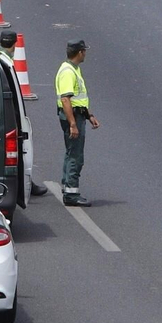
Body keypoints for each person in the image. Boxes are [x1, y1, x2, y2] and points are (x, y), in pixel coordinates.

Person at [0, 28, 50, 196]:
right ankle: (25, 184)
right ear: (15, 45)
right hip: (8, 114)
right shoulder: (7, 62)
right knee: (18, 150)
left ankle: (25, 183)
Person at [55, 39, 99, 206]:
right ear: (80, 52)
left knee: (71, 152)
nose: (85, 53)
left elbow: (79, 99)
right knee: (75, 156)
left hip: (78, 115)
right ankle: (71, 194)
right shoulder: (68, 72)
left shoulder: (74, 69)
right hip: (72, 117)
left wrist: (89, 115)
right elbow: (66, 99)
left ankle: (67, 187)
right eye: (84, 51)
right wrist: (73, 124)